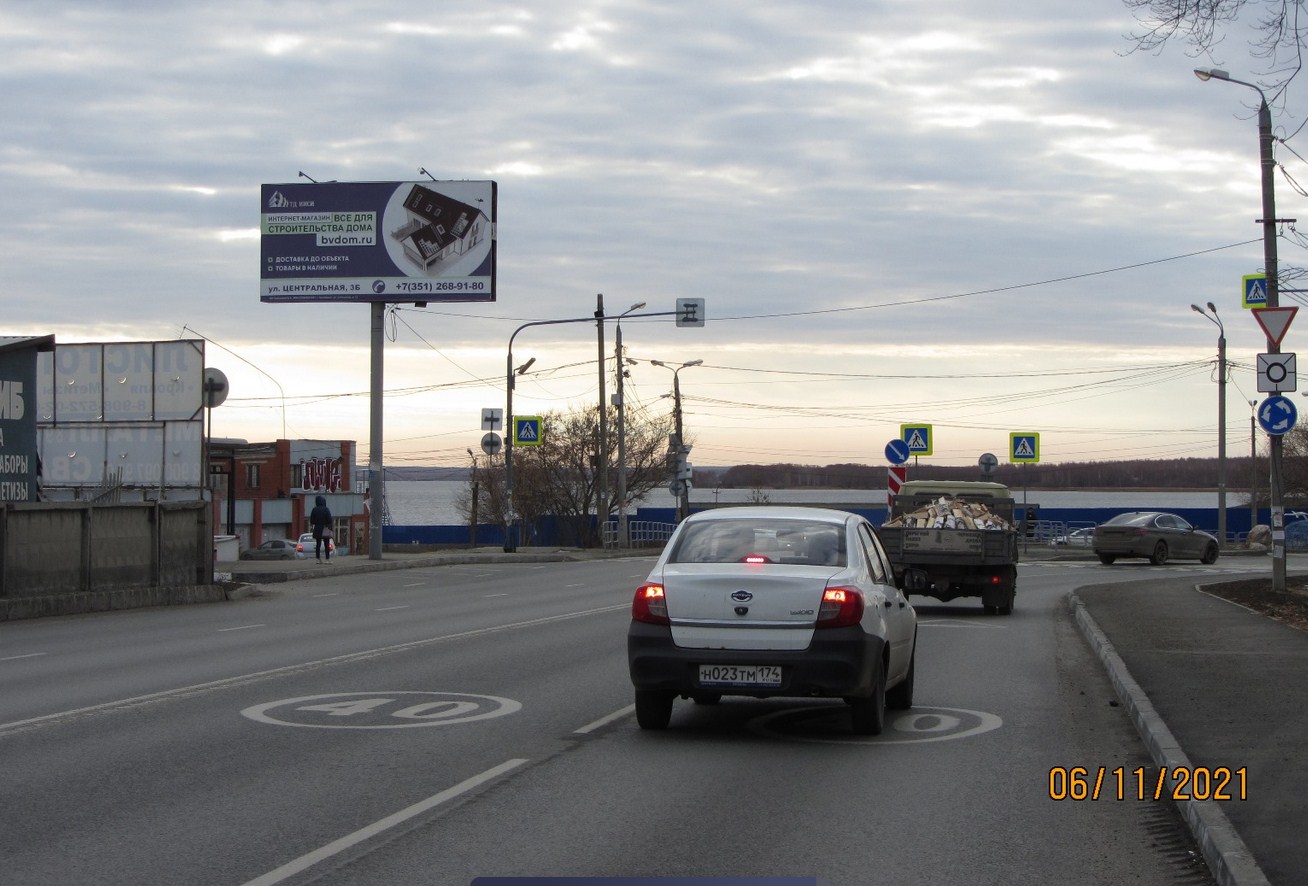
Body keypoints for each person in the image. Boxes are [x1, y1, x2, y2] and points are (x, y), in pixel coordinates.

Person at [309, 494, 333, 562]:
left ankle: (317, 558)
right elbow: (329, 519)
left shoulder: (314, 509)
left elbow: (312, 521)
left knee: (318, 544)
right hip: (325, 528)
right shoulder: (326, 509)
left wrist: (317, 523)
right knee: (326, 544)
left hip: (317, 528)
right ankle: (327, 559)